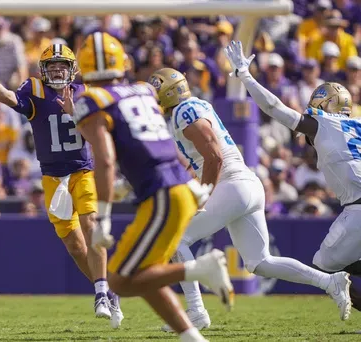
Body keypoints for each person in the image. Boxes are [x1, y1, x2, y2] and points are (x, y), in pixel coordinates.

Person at [147, 68, 353, 333]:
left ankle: (196, 311)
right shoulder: (196, 105)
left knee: (177, 238)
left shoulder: (183, 111)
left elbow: (214, 157)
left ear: (168, 91)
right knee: (260, 262)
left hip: (230, 183)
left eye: (156, 89)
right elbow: (202, 159)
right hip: (245, 183)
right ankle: (330, 283)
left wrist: (202, 195)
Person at [72, 31, 234, 342]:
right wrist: (192, 184)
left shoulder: (92, 101)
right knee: (144, 274)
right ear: (124, 62)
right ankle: (191, 335)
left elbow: (104, 161)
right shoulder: (145, 91)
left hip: (162, 195)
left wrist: (103, 216)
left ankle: (201, 270)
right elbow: (165, 145)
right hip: (177, 189)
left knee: (119, 280)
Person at [0, 43, 123, 327]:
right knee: (73, 243)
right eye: (52, 66)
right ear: (43, 70)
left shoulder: (86, 93)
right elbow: (8, 98)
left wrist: (77, 114)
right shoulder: (34, 89)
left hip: (82, 171)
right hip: (51, 177)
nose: (57, 71)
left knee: (92, 224)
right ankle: (107, 289)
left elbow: (103, 138)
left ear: (73, 69)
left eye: (62, 66)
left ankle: (99, 294)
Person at [225, 40, 359, 312]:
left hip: (357, 208)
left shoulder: (321, 123)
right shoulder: (356, 124)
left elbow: (275, 108)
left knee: (325, 267)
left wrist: (246, 76)